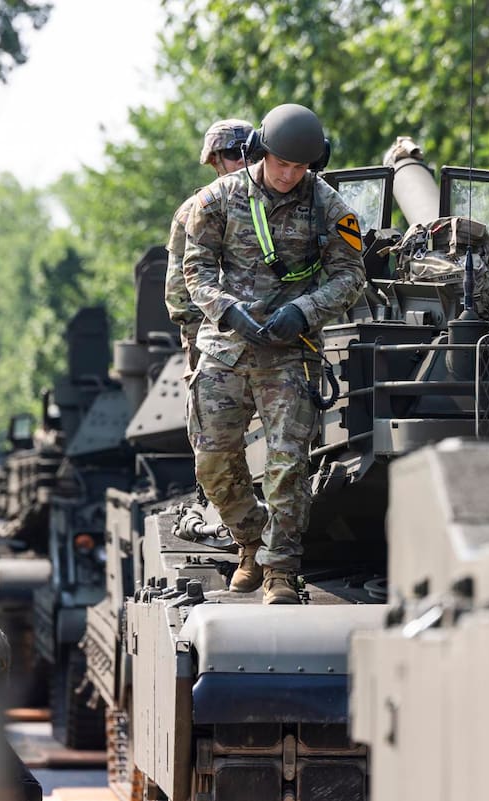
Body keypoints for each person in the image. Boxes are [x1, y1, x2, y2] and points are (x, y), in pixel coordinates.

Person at [182, 103, 365, 604]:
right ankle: (249, 544)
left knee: (288, 466)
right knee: (213, 464)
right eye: (282, 163)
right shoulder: (216, 200)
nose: (289, 175)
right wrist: (228, 310)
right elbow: (193, 270)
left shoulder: (329, 205)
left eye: (301, 167)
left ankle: (281, 569)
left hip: (289, 351)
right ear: (263, 150)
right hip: (227, 348)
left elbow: (351, 275)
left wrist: (305, 311)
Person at [164, 118, 255, 378]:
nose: (242, 160)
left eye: (248, 152)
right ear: (215, 160)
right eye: (231, 153)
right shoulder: (193, 210)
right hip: (213, 342)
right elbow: (178, 293)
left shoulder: (276, 204)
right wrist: (198, 345)